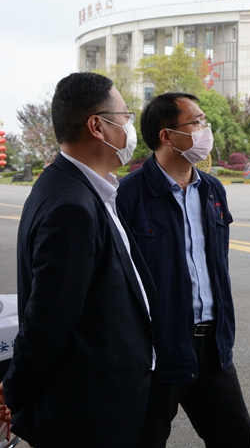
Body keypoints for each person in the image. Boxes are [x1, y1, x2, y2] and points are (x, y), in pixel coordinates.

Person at [0, 72, 157, 447]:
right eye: (125, 116)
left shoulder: (80, 187)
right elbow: (49, 318)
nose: (130, 126)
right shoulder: (72, 204)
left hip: (103, 398)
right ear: (97, 126)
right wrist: (12, 391)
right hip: (89, 411)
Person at [117, 92, 250, 448]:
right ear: (167, 136)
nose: (206, 129)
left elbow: (217, 265)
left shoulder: (211, 189)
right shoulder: (127, 196)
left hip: (212, 346)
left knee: (237, 438)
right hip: (157, 348)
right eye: (197, 122)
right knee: (145, 440)